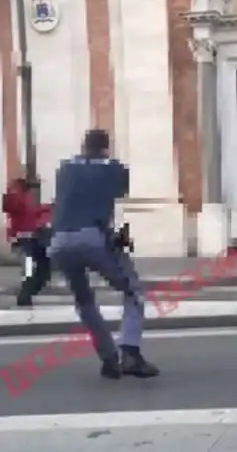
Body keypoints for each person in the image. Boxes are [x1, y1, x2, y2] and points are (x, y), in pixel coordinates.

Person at [48, 129, 159, 379]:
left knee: (84, 301)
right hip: (92, 238)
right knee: (133, 291)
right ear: (106, 147)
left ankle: (109, 359)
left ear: (83, 145)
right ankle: (130, 352)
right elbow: (118, 197)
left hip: (59, 241)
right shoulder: (114, 167)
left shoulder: (64, 168)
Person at [2, 176, 53, 306]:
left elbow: (30, 213)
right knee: (33, 269)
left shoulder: (24, 196)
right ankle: (25, 295)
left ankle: (27, 294)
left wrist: (46, 208)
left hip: (32, 237)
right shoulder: (17, 196)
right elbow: (22, 211)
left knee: (40, 268)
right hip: (26, 238)